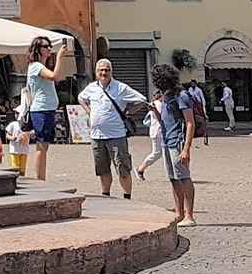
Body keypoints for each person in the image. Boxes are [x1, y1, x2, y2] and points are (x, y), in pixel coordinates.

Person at [77, 59, 147, 200]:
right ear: (96, 72)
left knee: (123, 169)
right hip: (97, 136)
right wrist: (89, 111)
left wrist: (130, 111)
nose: (104, 73)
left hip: (117, 135)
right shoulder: (91, 87)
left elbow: (142, 99)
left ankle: (127, 198)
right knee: (102, 169)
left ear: (111, 71)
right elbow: (81, 98)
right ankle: (106, 197)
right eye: (101, 70)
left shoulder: (120, 88)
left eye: (107, 70)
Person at [152, 64, 196, 226]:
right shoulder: (167, 96)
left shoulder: (182, 96)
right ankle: (179, 213)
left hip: (177, 142)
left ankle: (189, 216)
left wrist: (186, 149)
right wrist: (154, 110)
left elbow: (190, 123)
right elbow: (164, 121)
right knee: (173, 179)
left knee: (184, 178)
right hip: (166, 141)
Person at [24, 35, 68, 181]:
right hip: (41, 110)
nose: (49, 48)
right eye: (45, 46)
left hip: (46, 109)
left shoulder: (39, 66)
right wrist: (60, 57)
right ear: (38, 49)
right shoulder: (36, 66)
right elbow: (55, 76)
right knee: (42, 146)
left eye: (50, 46)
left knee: (44, 146)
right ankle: (40, 179)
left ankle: (41, 178)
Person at [135, 90, 167, 181]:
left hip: (157, 131)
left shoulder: (156, 103)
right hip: (158, 131)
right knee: (157, 153)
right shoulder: (158, 104)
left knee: (160, 153)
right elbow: (161, 118)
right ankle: (140, 169)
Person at [4, 110, 31, 175]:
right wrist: (12, 138)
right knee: (15, 168)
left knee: (22, 170)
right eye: (16, 113)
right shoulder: (13, 124)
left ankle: (22, 180)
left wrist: (28, 135)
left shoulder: (27, 125)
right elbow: (7, 135)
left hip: (24, 150)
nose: (17, 115)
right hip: (14, 150)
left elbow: (31, 134)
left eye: (18, 113)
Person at [187, 80, 210, 146]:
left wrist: (203, 106)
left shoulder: (199, 90)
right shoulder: (190, 89)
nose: (192, 84)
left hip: (198, 105)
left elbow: (202, 98)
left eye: (193, 83)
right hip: (192, 105)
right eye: (191, 83)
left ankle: (204, 135)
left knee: (203, 117)